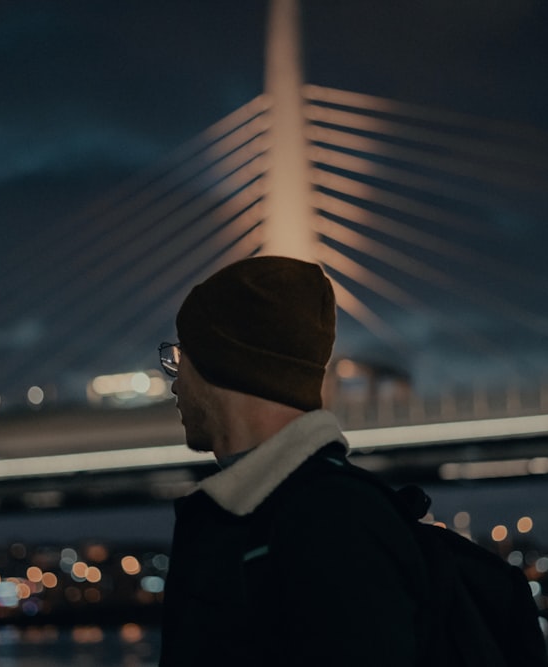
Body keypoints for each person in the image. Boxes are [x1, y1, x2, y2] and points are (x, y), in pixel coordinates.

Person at [157, 255, 426, 667]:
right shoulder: (289, 511)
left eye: (181, 356)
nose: (175, 383)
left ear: (223, 361)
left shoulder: (332, 525)